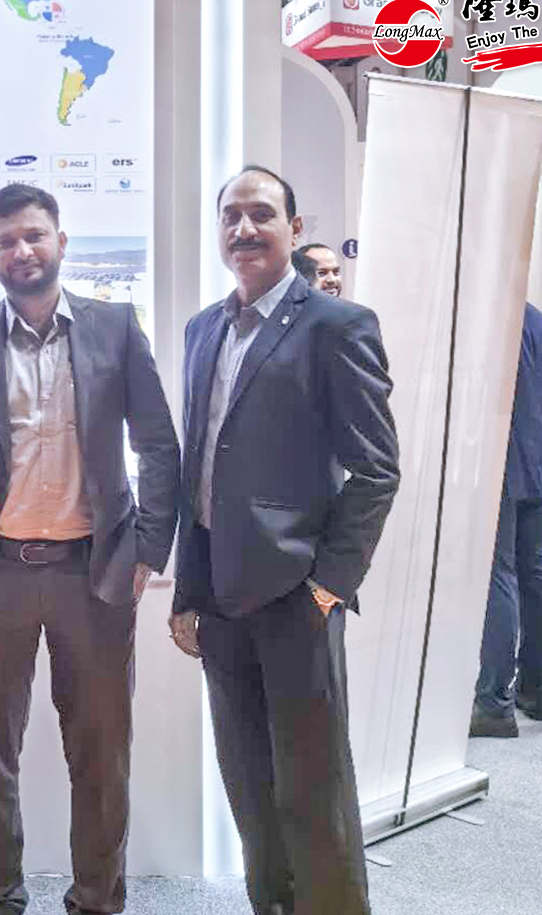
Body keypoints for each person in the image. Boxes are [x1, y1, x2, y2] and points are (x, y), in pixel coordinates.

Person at [0, 183, 180, 915]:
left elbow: (158, 446)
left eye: (33, 235)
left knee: (100, 754)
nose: (22, 250)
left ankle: (96, 901)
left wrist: (148, 549)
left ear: (61, 242)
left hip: (92, 574)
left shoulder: (115, 328)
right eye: (5, 241)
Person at [169, 166, 400, 915]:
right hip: (220, 598)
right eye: (230, 216)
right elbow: (198, 469)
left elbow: (376, 469)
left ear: (294, 229)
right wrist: (188, 590)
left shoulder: (336, 326)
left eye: (261, 214)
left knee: (312, 787)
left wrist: (328, 585)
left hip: (295, 596)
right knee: (247, 782)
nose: (244, 229)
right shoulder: (203, 329)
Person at [471, 303, 542, 738]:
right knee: (534, 571)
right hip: (540, 461)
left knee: (501, 576)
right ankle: (535, 688)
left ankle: (493, 703)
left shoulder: (489, 322)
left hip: (502, 464)